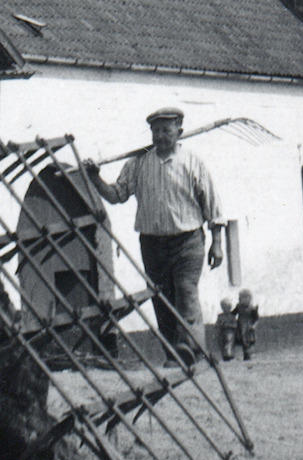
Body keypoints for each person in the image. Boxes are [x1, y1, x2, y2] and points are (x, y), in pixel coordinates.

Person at [89, 107, 224, 364]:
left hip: (188, 241)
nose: (161, 136)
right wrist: (95, 178)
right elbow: (117, 195)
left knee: (185, 293)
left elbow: (213, 206)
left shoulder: (192, 162)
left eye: (167, 130)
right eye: (156, 131)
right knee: (161, 298)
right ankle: (174, 353)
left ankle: (192, 348)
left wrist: (217, 243)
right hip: (152, 243)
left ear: (179, 132)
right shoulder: (138, 163)